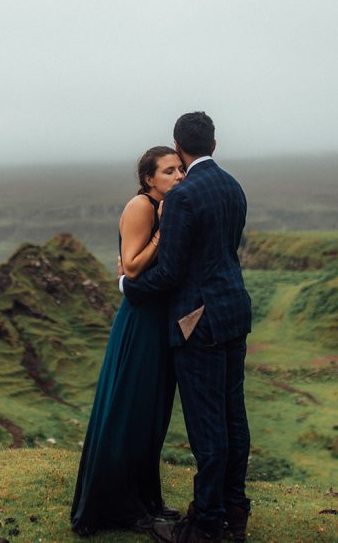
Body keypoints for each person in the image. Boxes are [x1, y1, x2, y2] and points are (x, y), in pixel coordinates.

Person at [121, 112, 252, 543]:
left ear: (179, 147)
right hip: (234, 313)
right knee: (234, 419)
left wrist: (129, 286)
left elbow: (172, 272)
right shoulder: (232, 186)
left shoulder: (182, 197)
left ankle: (205, 525)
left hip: (199, 323)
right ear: (214, 144)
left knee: (207, 426)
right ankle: (235, 511)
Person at [70, 146, 185, 537]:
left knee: (151, 415)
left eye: (180, 169)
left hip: (158, 319)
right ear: (149, 179)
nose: (178, 176)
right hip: (140, 321)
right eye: (169, 171)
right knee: (131, 412)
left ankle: (146, 500)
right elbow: (132, 266)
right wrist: (163, 228)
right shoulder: (143, 207)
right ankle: (118, 507)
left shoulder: (166, 207)